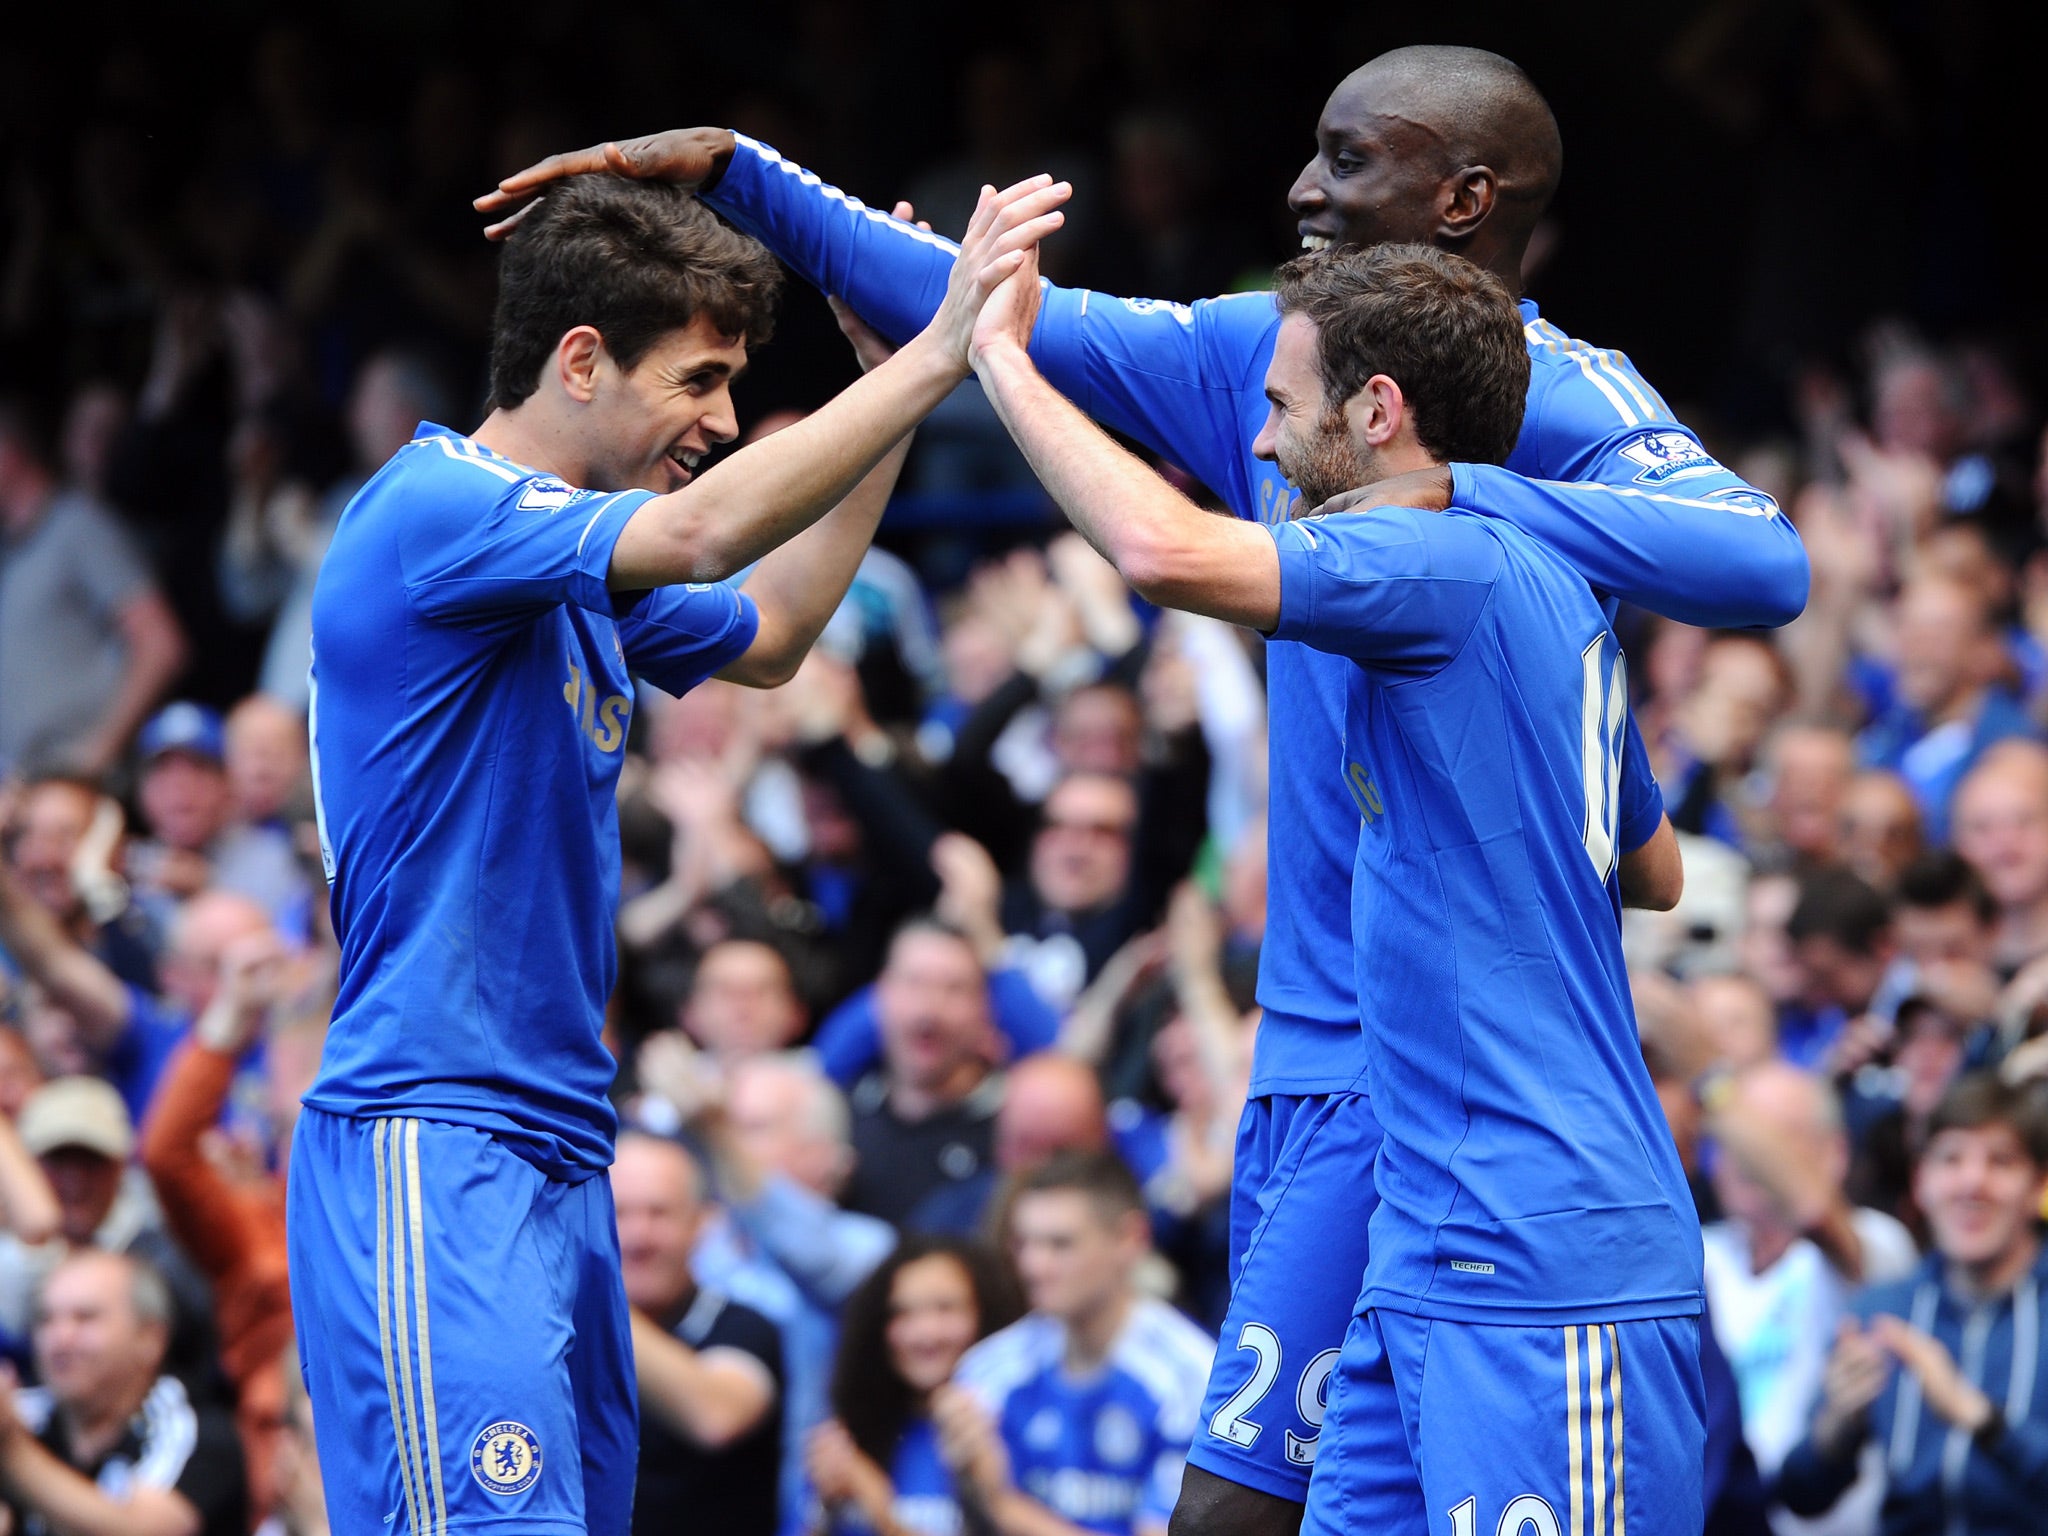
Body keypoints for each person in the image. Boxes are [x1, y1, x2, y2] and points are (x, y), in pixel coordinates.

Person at [481, 42, 1810, 1536]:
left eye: (1350, 159)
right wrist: (745, 175)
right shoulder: (1279, 358)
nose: (1306, 186)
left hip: (1465, 1122)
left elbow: (1763, 565)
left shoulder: (1494, 470)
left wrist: (1464, 502)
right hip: (1335, 1078)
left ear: (1464, 200)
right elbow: (1653, 863)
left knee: (1224, 1518)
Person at [285, 167, 1068, 1536]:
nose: (717, 422)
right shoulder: (439, 510)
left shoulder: (566, 569)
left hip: (557, 1144)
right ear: (580, 360)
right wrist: (949, 341)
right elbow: (707, 531)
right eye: (698, 381)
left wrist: (897, 392)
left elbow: (769, 637)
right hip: (434, 1134)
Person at [965, 239, 1705, 1531]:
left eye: (1278, 407)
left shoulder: (1443, 566)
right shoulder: (1535, 588)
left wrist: (996, 355)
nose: (1254, 447)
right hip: (1423, 1236)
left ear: (1379, 413)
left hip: (1546, 1247)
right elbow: (1654, 867)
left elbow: (1157, 549)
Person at [1777, 1074, 2048, 1532]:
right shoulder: (1881, 1313)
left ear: (2039, 1186)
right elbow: (1800, 1496)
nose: (1972, 1183)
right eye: (1950, 1159)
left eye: (2001, 1162)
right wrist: (1836, 1429)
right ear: (1921, 1182)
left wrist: (1979, 1418)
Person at [938, 1152, 1215, 1536]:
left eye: (1060, 1244)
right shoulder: (986, 1372)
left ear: (1129, 1239)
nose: (1034, 1266)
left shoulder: (1192, 1377)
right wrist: (968, 1488)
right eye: (1024, 1244)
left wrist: (1004, 1506)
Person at [0, 400, 187, 781]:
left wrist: (99, 752)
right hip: (28, 790)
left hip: (87, 788)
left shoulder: (78, 526)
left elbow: (160, 644)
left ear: (9, 451)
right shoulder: (11, 553)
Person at [0, 1249, 246, 1536]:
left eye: (85, 1318)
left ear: (150, 1339)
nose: (59, 1339)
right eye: (46, 1320)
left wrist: (11, 1450)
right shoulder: (26, 1412)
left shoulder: (192, 1428)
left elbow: (145, 1530)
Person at [612, 1133, 785, 1536]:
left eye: (660, 1213)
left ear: (703, 1224)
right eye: (619, 1214)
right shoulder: (564, 1334)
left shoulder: (743, 1325)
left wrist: (596, 1298)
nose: (639, 1236)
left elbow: (716, 1417)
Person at [810, 1236, 1023, 1536]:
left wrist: (881, 1510)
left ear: (986, 1314)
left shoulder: (1013, 1433)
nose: (924, 1334)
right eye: (902, 1313)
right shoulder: (853, 1434)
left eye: (945, 1308)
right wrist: (824, 1505)